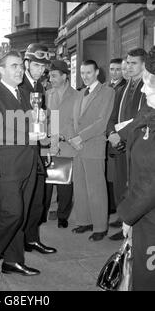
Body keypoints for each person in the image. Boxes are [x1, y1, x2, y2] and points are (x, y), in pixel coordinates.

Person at [0, 50, 46, 283]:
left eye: (21, 65)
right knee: (13, 212)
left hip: (28, 161)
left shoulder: (25, 93)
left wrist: (41, 122)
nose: (19, 69)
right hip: (7, 164)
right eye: (13, 66)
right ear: (1, 70)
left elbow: (34, 122)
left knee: (20, 214)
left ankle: (13, 260)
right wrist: (29, 132)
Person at [118, 47, 155, 291]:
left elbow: (151, 180)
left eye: (150, 80)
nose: (144, 87)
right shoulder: (150, 109)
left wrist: (128, 215)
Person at [70, 60, 115, 241]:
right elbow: (75, 120)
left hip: (93, 145)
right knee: (80, 187)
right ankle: (85, 221)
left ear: (97, 72)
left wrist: (80, 137)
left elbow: (102, 121)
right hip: (78, 147)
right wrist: (74, 138)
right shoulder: (80, 93)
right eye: (82, 73)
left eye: (89, 72)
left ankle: (100, 226)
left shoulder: (107, 92)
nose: (85, 76)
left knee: (96, 188)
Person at [106, 48, 147, 241]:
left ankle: (133, 226)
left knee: (135, 186)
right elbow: (112, 116)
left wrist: (120, 135)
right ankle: (124, 221)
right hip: (121, 144)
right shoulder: (122, 88)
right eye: (127, 63)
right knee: (121, 184)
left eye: (133, 63)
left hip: (137, 144)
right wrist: (112, 133)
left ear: (144, 65)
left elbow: (142, 118)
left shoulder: (147, 88)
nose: (128, 67)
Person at [20, 43, 57, 255]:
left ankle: (32, 238)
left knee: (38, 197)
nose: (41, 69)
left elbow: (40, 120)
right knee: (21, 202)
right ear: (26, 63)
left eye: (43, 66)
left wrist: (47, 146)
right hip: (22, 149)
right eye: (36, 64)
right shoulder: (19, 84)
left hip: (37, 148)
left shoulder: (38, 87)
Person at [45, 60, 78, 228]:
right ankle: (49, 210)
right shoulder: (47, 94)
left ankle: (62, 216)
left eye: (54, 75)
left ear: (65, 76)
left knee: (65, 183)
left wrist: (65, 135)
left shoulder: (77, 96)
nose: (51, 79)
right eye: (50, 75)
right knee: (49, 181)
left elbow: (77, 121)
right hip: (50, 143)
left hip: (66, 143)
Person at [106, 58, 128, 215]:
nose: (115, 72)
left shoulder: (125, 87)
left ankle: (118, 211)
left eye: (118, 69)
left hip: (122, 137)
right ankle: (114, 207)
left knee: (119, 178)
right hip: (109, 134)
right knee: (111, 175)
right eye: (112, 69)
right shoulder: (107, 87)